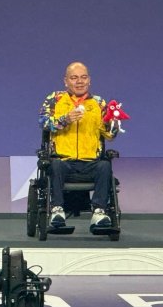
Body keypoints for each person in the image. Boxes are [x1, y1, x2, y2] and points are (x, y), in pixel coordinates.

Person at [38, 62, 119, 231]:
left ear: (89, 80)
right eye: (74, 78)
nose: (79, 81)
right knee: (55, 165)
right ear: (66, 81)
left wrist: (115, 122)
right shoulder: (55, 99)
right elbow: (43, 123)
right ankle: (57, 211)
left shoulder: (99, 103)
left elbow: (110, 135)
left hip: (90, 162)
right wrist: (64, 120)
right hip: (63, 160)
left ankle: (98, 212)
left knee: (105, 166)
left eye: (83, 77)